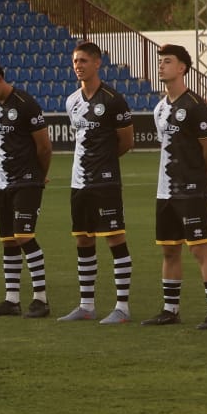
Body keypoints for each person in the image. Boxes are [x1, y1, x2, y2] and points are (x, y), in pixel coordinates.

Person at [142, 44, 207, 328]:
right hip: (164, 190)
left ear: (182, 68)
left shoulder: (195, 105)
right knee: (169, 250)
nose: (161, 66)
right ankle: (170, 310)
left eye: (167, 62)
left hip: (189, 190)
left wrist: (200, 178)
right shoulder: (159, 108)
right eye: (160, 62)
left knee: (200, 249)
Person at [58, 42, 136, 325]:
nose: (78, 65)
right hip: (79, 182)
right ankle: (86, 305)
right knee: (83, 238)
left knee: (115, 238)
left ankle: (123, 307)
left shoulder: (113, 100)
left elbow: (126, 141)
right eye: (75, 61)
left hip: (105, 182)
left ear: (97, 63)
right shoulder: (71, 101)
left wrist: (104, 162)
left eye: (84, 61)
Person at [0, 58, 54, 318]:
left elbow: (44, 146)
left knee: (23, 237)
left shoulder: (26, 104)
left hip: (27, 179)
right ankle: (12, 300)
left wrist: (41, 175)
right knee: (8, 241)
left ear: (0, 78)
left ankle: (41, 298)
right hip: (2, 182)